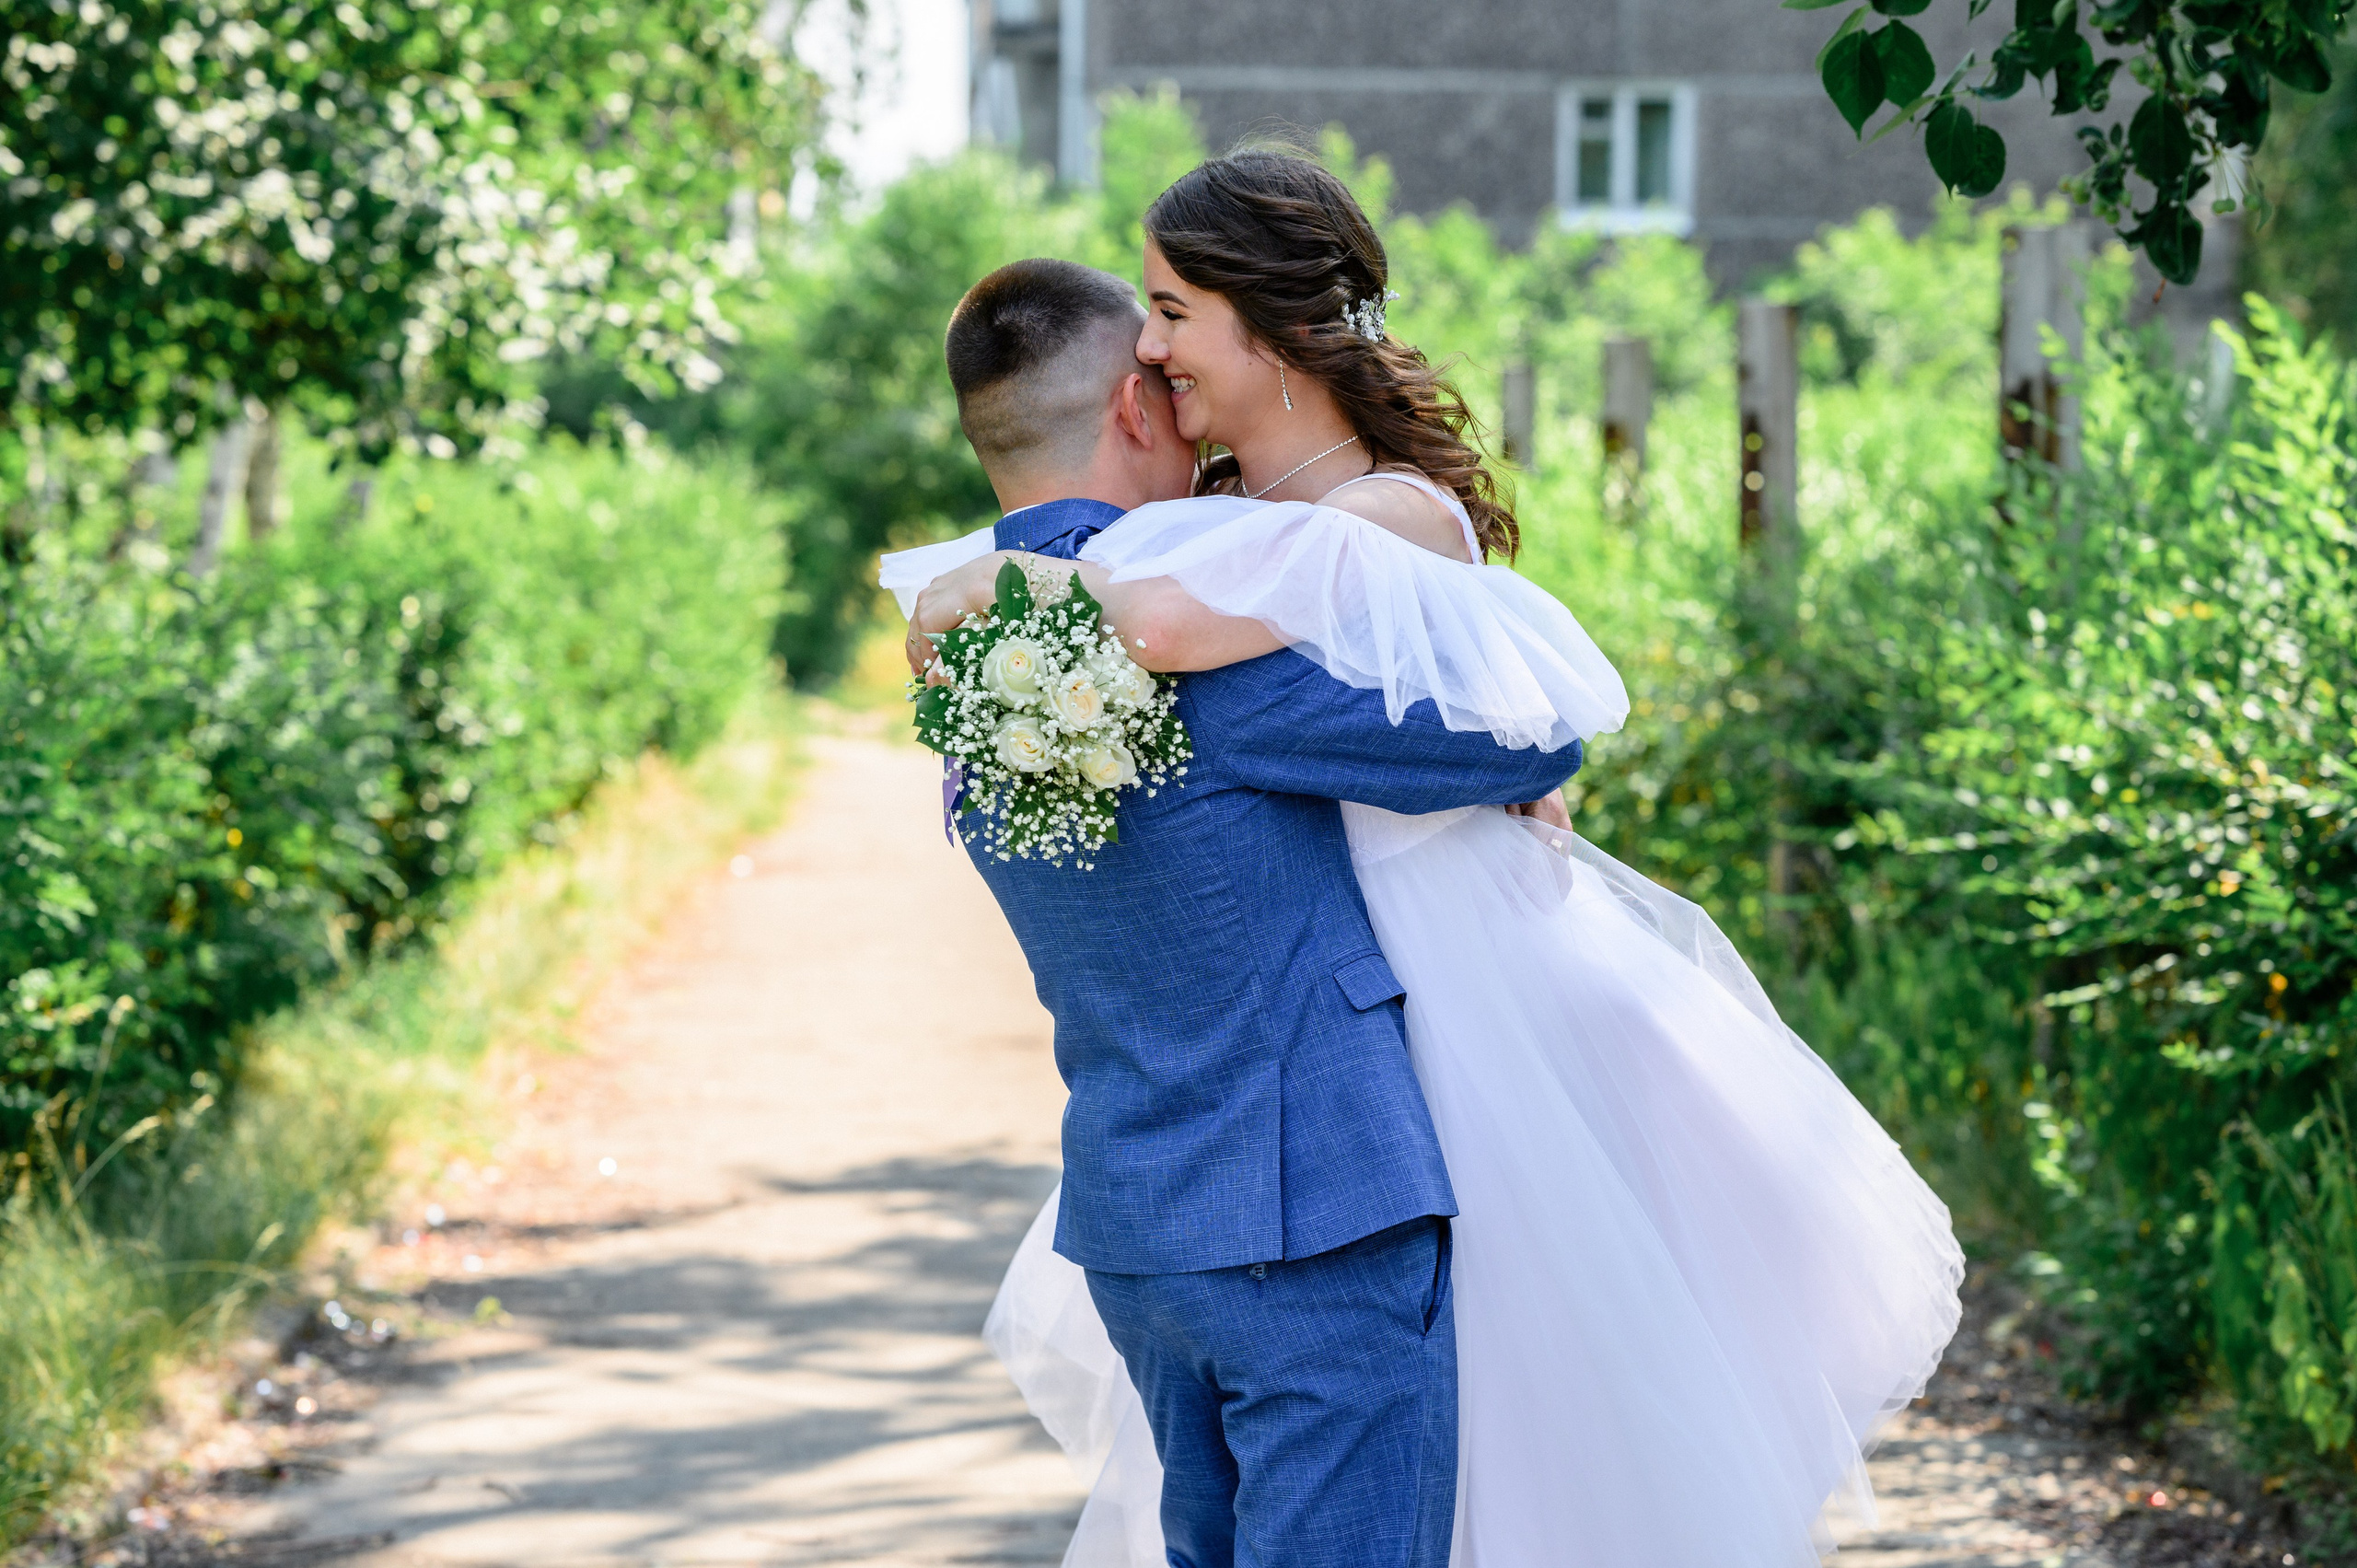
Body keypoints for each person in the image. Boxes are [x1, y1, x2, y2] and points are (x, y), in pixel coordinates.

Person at [888, 150, 1964, 1567]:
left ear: (1266, 329)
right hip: (1328, 1166)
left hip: (1239, 1161)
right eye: (1144, 318)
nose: (1155, 342)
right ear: (1135, 406)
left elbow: (1505, 724)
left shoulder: (998, 661)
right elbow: (1516, 746)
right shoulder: (1187, 585)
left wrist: (998, 576)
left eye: (1175, 308)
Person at [887, 252, 1585, 1568]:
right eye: (1159, 371)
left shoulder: (962, 674)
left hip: (1141, 1227)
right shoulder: (1187, 639)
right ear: (1137, 412)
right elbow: (1527, 738)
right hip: (1312, 1219)